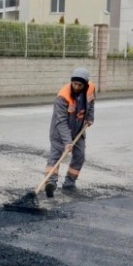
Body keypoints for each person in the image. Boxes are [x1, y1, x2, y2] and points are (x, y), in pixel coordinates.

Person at [44, 67, 95, 197]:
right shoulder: (63, 96)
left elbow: (91, 102)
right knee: (56, 155)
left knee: (79, 155)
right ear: (71, 82)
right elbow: (61, 121)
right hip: (59, 131)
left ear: (85, 84)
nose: (77, 87)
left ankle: (69, 184)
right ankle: (51, 183)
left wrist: (90, 117)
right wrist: (67, 141)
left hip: (78, 129)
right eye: (75, 84)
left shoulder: (90, 89)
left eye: (80, 84)